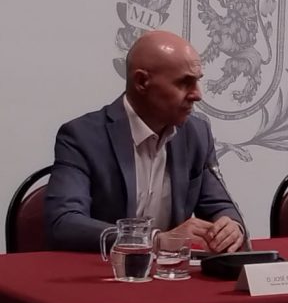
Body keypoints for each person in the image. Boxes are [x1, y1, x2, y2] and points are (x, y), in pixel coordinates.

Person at [45, 30, 246, 253]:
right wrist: (152, 240)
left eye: (197, 81)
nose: (197, 94)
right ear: (142, 82)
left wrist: (230, 226)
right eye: (184, 83)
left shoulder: (196, 133)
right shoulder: (82, 136)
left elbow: (219, 205)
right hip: (106, 269)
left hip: (172, 270)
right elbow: (64, 222)